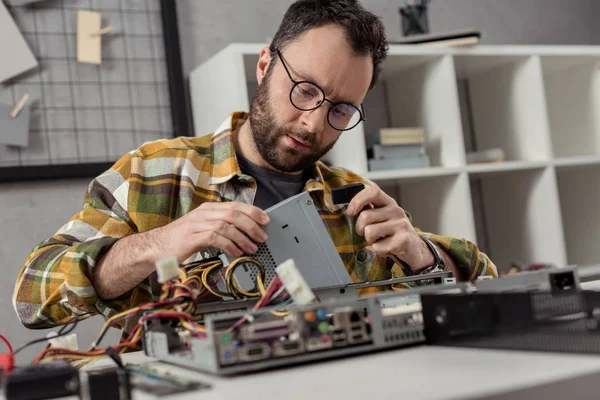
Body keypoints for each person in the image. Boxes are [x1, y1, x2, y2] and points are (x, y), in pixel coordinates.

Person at [14, 0, 497, 331]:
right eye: (305, 89)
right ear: (265, 65)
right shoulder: (153, 173)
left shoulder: (353, 198)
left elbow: (488, 287)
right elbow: (31, 297)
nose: (313, 124)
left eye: (340, 110)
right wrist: (161, 242)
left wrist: (420, 255)